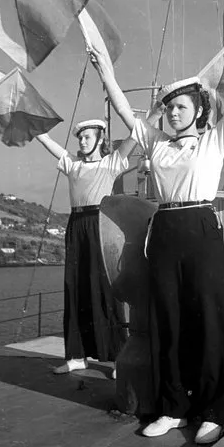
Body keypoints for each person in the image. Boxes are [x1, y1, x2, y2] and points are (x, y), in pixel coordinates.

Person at [89, 25, 224, 443]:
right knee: (167, 320)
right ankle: (173, 407)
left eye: (180, 106)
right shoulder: (157, 144)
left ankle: (216, 408)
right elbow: (124, 109)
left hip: (200, 226)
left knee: (211, 320)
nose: (173, 113)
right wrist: (105, 70)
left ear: (197, 110)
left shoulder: (215, 139)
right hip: (163, 228)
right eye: (169, 108)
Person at [36, 120, 134, 376]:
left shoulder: (110, 163)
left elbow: (134, 138)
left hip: (100, 224)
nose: (82, 141)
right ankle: (76, 356)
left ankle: (116, 359)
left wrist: (154, 115)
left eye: (88, 137)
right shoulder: (73, 164)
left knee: (105, 289)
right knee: (75, 287)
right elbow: (49, 144)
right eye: (80, 137)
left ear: (100, 139)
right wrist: (34, 127)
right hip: (76, 225)